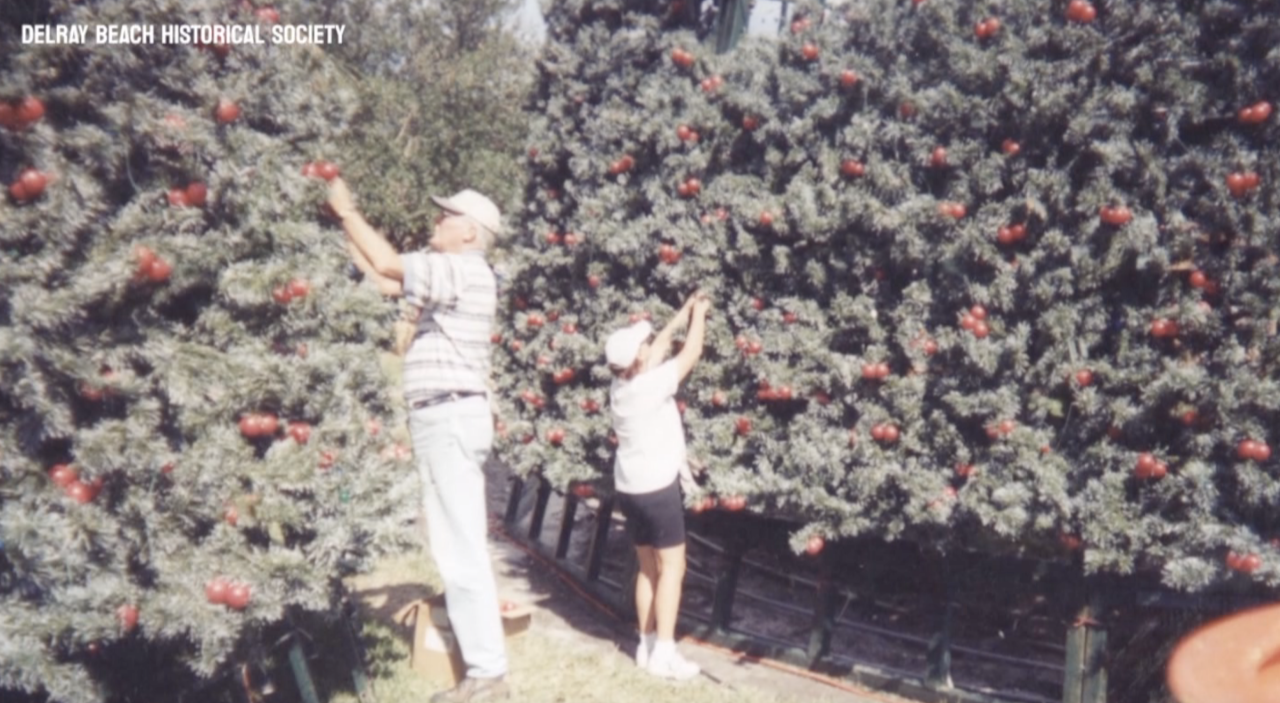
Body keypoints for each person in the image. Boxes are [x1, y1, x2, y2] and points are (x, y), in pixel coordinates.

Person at [328, 178, 510, 703]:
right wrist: (347, 237)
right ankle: (484, 668)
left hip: (450, 415)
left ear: (469, 232)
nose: (436, 222)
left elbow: (388, 266)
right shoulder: (458, 273)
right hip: (444, 417)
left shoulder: (463, 270)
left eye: (444, 217)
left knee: (460, 546)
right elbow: (385, 282)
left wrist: (349, 211)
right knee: (453, 542)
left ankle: (488, 673)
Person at [605, 290, 711, 680]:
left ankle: (645, 646)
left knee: (647, 569)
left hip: (629, 489)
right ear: (638, 359)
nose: (650, 344)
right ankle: (666, 653)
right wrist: (699, 316)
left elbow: (661, 345)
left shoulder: (622, 385)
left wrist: (681, 312)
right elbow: (690, 354)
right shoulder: (650, 386)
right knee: (673, 569)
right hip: (657, 491)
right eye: (644, 344)